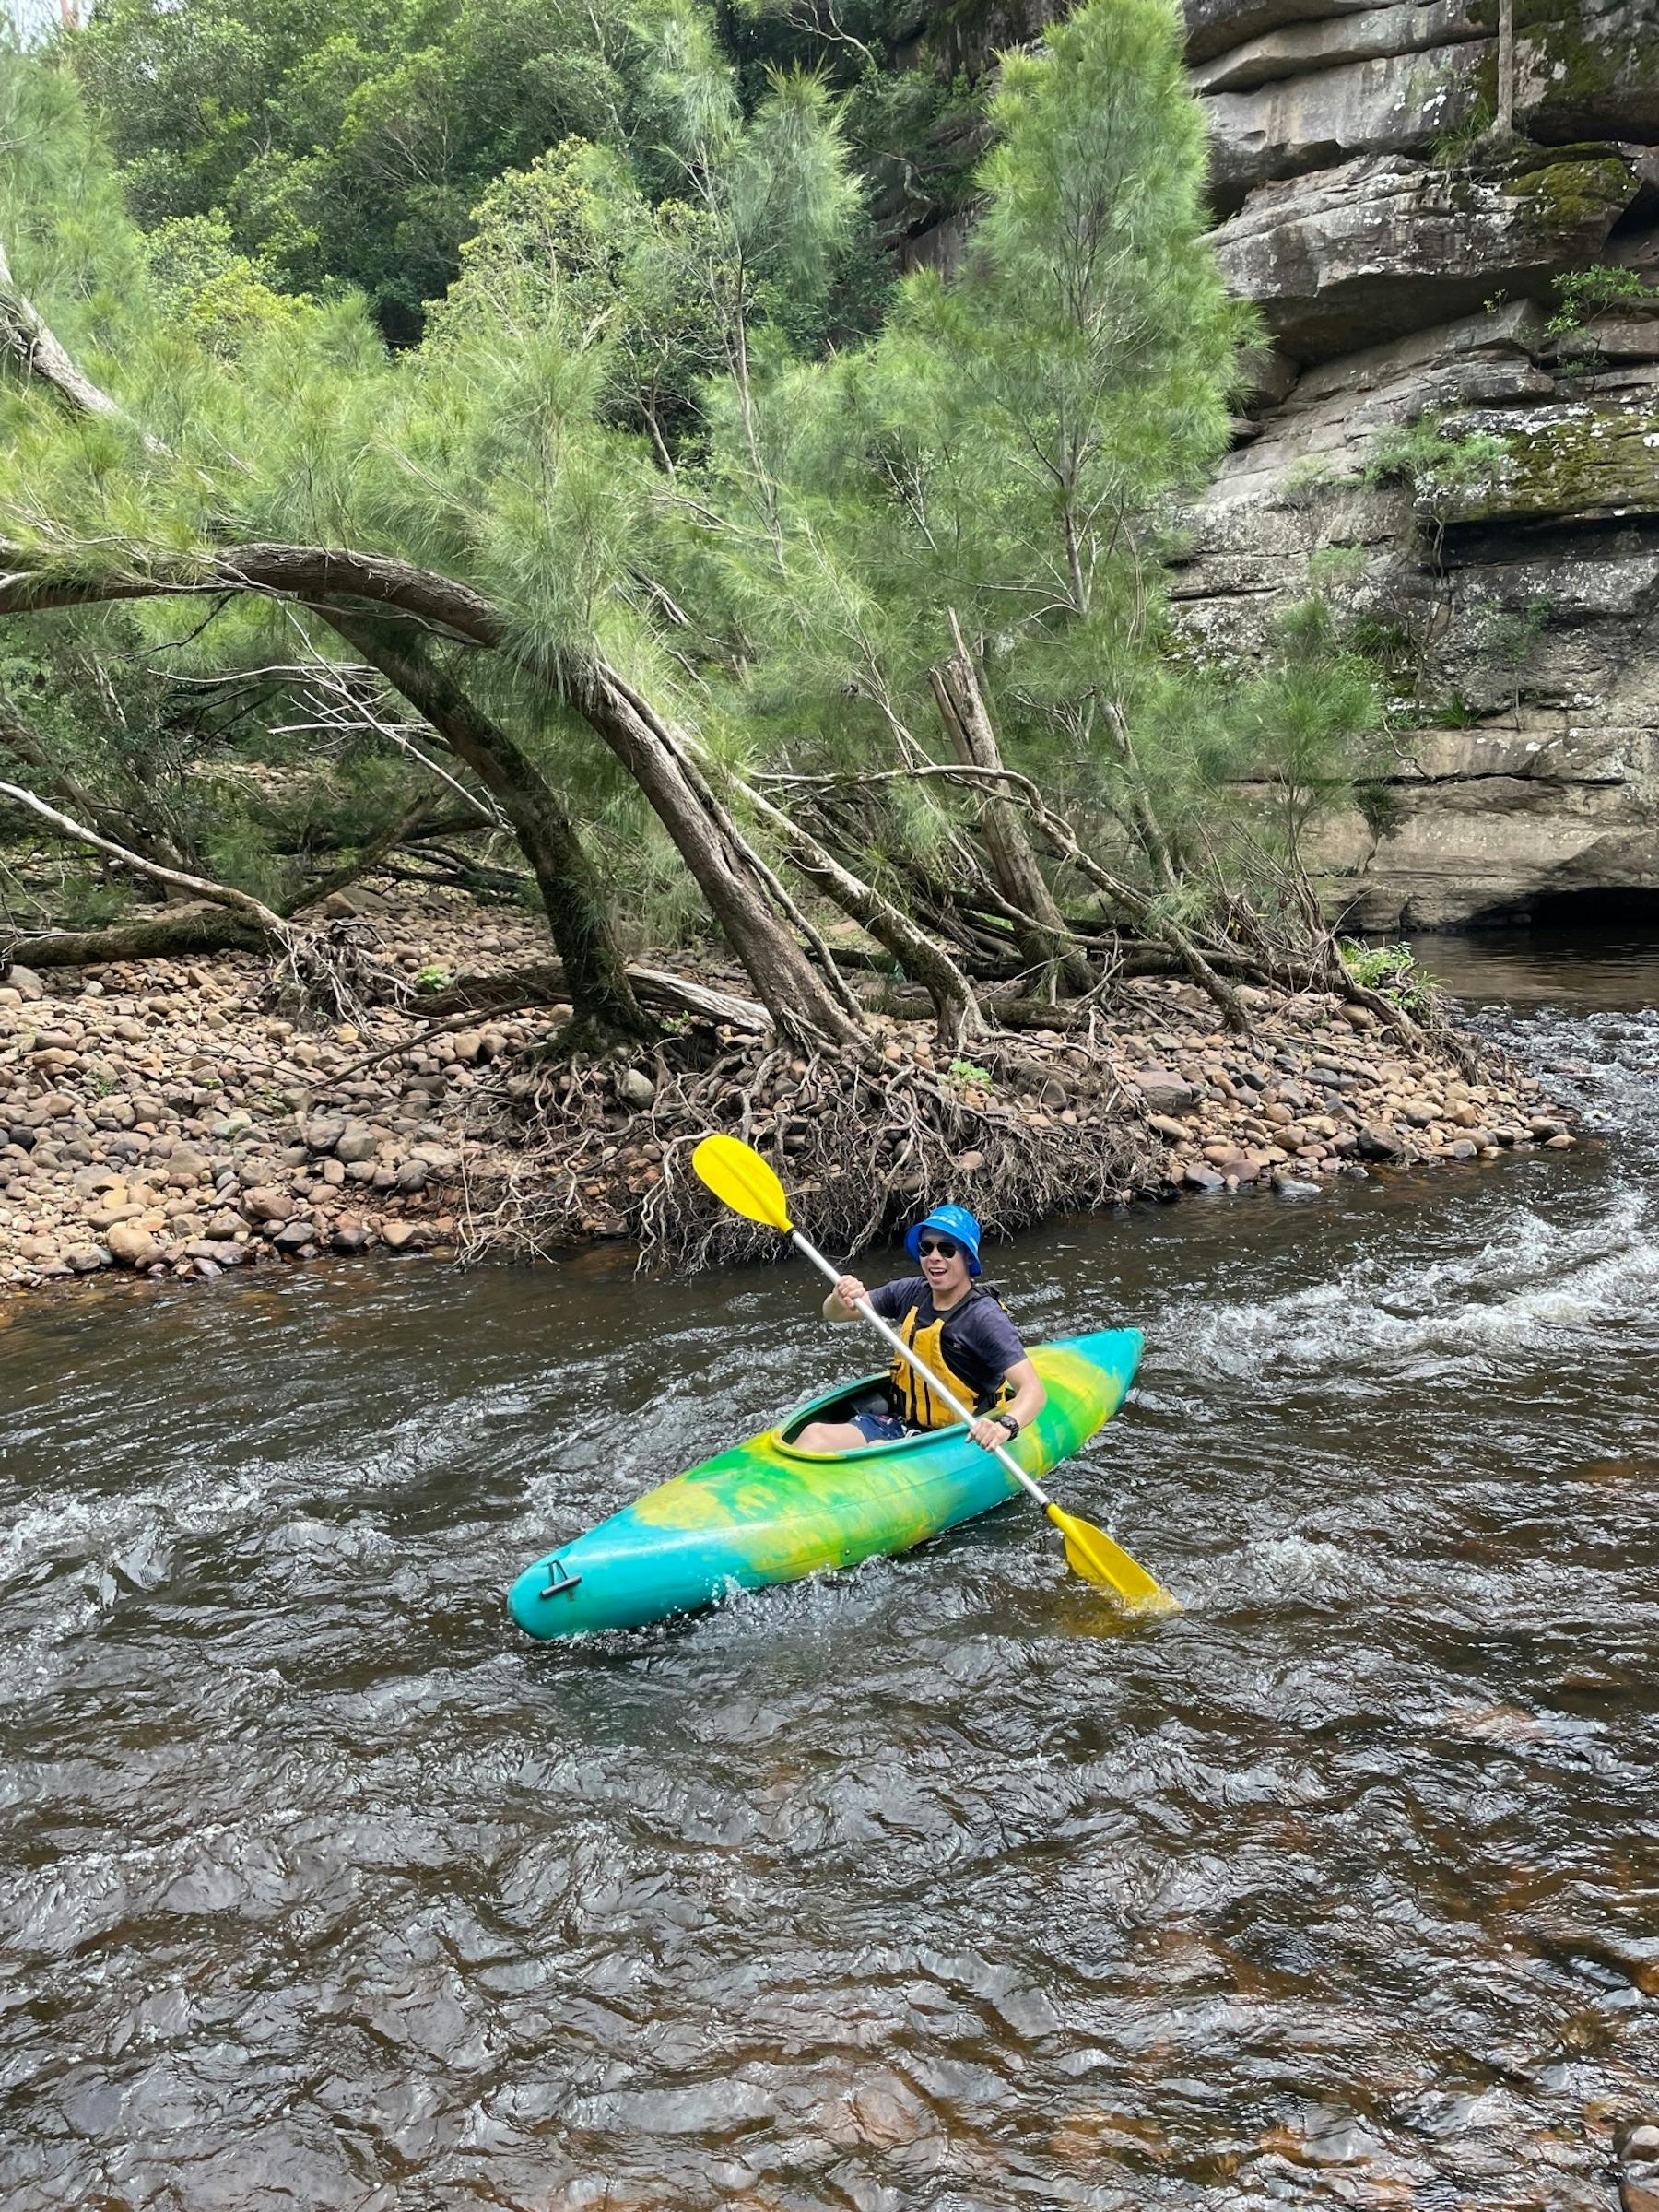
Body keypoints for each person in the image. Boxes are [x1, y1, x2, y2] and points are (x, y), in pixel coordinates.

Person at [792, 1204, 1046, 1453]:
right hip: (902, 1423)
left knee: (879, 1450)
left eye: (947, 1249)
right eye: (927, 1248)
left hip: (958, 1435)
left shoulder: (984, 1318)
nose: (934, 1257)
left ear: (967, 1256)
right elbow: (834, 1314)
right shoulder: (909, 1292)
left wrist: (1004, 1427)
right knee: (814, 1436)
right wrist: (839, 1298)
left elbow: (1033, 1391)